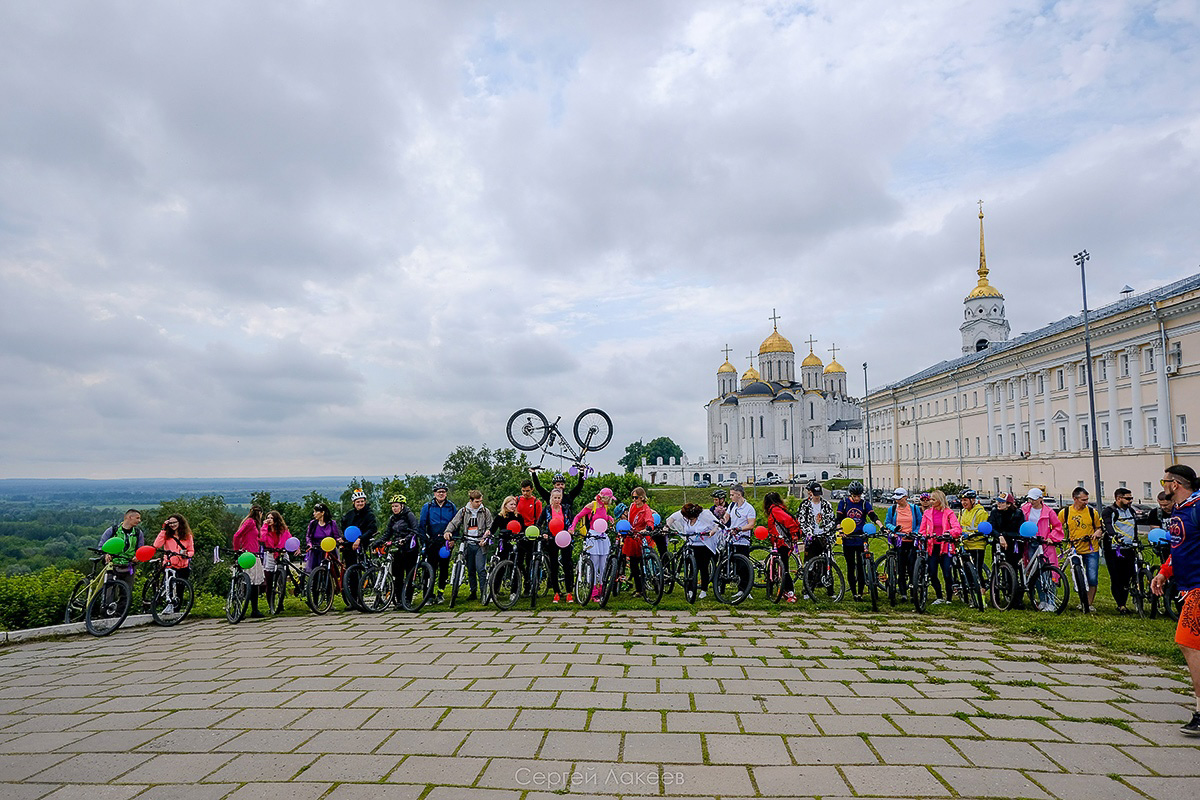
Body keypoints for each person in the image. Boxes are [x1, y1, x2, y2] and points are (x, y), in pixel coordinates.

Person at [1150, 464, 1200, 736]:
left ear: (1175, 484)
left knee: (1188, 643)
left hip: (1198, 588)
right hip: (1187, 586)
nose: (1163, 485)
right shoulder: (1180, 510)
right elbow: (1179, 548)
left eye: (1164, 481)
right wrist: (1164, 572)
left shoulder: (1197, 507)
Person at [1058, 487, 1103, 611]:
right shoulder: (1065, 512)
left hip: (1091, 548)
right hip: (1074, 548)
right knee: (1078, 576)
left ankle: (1088, 603)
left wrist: (1098, 532)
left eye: (1087, 499)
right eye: (1083, 500)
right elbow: (1057, 526)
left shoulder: (1092, 512)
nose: (1086, 502)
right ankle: (1082, 599)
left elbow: (1099, 527)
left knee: (1092, 577)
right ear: (1075, 499)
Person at [444, 490, 493, 603]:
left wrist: (486, 538)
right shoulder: (464, 511)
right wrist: (448, 531)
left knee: (481, 569)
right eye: (477, 501)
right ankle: (473, 591)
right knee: (470, 569)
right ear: (471, 501)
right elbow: (454, 523)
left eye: (480, 501)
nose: (479, 503)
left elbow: (490, 526)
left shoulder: (485, 512)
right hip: (468, 542)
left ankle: (484, 592)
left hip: (480, 543)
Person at [835, 482, 881, 601]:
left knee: (861, 567)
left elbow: (873, 516)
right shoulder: (844, 503)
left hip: (861, 538)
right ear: (851, 494)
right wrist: (840, 531)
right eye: (855, 496)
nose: (857, 499)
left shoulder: (864, 504)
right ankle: (854, 592)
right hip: (848, 539)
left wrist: (881, 526)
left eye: (859, 496)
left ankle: (860, 592)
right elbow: (838, 519)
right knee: (850, 566)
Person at [1022, 487, 1064, 611]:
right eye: (1030, 499)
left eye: (1034, 499)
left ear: (1041, 499)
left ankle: (1051, 601)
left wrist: (1052, 537)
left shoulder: (1049, 512)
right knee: (1036, 573)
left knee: (1048, 572)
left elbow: (1057, 527)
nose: (1031, 501)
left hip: (1045, 544)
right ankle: (1042, 600)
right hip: (1030, 543)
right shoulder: (1025, 509)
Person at [571, 488, 616, 601]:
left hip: (602, 536)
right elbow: (578, 516)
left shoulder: (604, 506)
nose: (610, 501)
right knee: (594, 565)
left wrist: (608, 518)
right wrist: (572, 527)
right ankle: (593, 591)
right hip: (593, 536)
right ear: (605, 498)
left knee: (603, 565)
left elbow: (602, 518)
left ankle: (602, 588)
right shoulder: (593, 505)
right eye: (610, 498)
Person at [418, 482, 457, 603]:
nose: (441, 494)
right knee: (430, 569)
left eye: (443, 492)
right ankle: (428, 595)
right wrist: (424, 541)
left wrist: (453, 539)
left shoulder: (451, 506)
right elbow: (422, 525)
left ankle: (441, 593)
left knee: (444, 568)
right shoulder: (428, 506)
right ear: (434, 493)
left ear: (446, 493)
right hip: (432, 541)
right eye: (438, 492)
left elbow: (456, 523)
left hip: (445, 541)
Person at [1102, 488, 1139, 614]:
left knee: (1127, 577)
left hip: (1129, 548)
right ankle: (1121, 605)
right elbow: (1108, 525)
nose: (1130, 501)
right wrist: (1114, 536)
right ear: (1118, 498)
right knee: (1116, 577)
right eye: (1127, 498)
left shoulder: (1131, 511)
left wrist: (1136, 541)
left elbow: (1134, 528)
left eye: (1131, 498)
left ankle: (1129, 600)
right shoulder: (1110, 511)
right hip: (1114, 549)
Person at [883, 488, 923, 597]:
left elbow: (920, 523)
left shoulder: (914, 509)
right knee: (900, 566)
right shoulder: (892, 509)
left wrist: (914, 532)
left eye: (900, 499)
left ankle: (912, 587)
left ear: (905, 497)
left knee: (911, 565)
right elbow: (887, 523)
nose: (898, 501)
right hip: (899, 540)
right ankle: (902, 591)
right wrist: (895, 528)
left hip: (911, 540)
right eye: (896, 499)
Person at [990, 493, 1027, 609]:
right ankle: (995, 597)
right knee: (995, 568)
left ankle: (1015, 598)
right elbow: (991, 527)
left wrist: (1006, 535)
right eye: (998, 502)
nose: (999, 504)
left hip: (1013, 544)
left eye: (1002, 502)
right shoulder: (994, 512)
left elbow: (1021, 530)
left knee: (1014, 570)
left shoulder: (1018, 513)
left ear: (1009, 504)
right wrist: (999, 536)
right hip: (998, 542)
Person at [537, 488, 573, 603]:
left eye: (559, 497)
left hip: (564, 538)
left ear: (561, 498)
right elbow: (539, 523)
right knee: (554, 566)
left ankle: (569, 592)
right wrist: (543, 533)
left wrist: (571, 530)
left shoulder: (566, 509)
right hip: (552, 539)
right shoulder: (547, 509)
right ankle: (556, 592)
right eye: (554, 497)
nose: (557, 500)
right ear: (551, 498)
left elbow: (571, 523)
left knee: (567, 565)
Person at [99, 509, 145, 601]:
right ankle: (106, 612)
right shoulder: (112, 531)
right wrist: (106, 554)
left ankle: (121, 613)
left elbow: (140, 549)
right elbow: (101, 547)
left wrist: (138, 557)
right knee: (109, 592)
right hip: (113, 566)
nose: (139, 521)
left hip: (129, 566)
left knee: (126, 592)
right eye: (137, 518)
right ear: (129, 517)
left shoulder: (138, 533)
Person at [762, 491, 800, 602]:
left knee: (784, 568)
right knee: (781, 565)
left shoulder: (775, 510)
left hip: (783, 542)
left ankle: (790, 591)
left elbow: (788, 522)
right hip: (778, 542)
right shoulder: (778, 509)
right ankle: (782, 589)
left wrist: (793, 535)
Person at [153, 514, 194, 609]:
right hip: (170, 565)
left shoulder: (187, 536)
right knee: (170, 587)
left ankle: (177, 610)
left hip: (183, 565)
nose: (172, 525)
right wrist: (163, 530)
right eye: (170, 523)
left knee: (180, 589)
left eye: (174, 522)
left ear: (180, 523)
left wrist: (187, 555)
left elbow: (191, 550)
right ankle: (168, 605)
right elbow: (156, 545)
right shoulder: (166, 536)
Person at [382, 495, 419, 597]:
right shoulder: (392, 518)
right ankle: (399, 600)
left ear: (402, 506)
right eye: (393, 506)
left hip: (410, 549)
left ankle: (408, 599)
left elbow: (415, 531)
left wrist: (405, 539)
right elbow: (387, 533)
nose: (394, 508)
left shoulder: (409, 515)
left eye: (396, 506)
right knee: (398, 576)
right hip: (398, 549)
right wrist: (378, 542)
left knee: (409, 575)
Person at [233, 506, 265, 618]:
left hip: (253, 554)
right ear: (260, 513)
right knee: (248, 583)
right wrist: (237, 550)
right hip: (249, 555)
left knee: (254, 584)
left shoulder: (253, 523)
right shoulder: (250, 522)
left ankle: (254, 609)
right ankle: (243, 609)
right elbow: (237, 535)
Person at [259, 510, 290, 612]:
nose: (269, 520)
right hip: (270, 554)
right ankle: (270, 605)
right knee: (269, 580)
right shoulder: (266, 530)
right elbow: (262, 540)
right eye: (268, 518)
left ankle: (280, 603)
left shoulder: (283, 530)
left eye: (272, 518)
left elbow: (288, 539)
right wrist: (264, 527)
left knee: (282, 579)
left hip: (281, 553)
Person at [341, 489, 378, 571]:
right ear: (353, 503)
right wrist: (343, 538)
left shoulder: (369, 514)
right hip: (350, 543)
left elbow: (372, 529)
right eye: (358, 502)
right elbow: (345, 527)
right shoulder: (349, 515)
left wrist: (360, 539)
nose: (360, 503)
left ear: (365, 502)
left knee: (360, 564)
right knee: (349, 566)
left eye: (362, 501)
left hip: (363, 541)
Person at [958, 490, 989, 580]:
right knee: (966, 570)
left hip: (977, 544)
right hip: (965, 544)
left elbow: (982, 530)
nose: (963, 503)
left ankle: (981, 590)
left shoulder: (980, 512)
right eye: (962, 500)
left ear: (973, 500)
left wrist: (971, 534)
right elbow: (959, 526)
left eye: (965, 500)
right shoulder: (962, 512)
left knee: (977, 571)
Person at [305, 503, 341, 574]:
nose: (314, 514)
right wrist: (309, 544)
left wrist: (340, 541)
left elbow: (337, 536)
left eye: (316, 512)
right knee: (315, 573)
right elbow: (308, 536)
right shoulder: (313, 524)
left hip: (329, 551)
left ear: (322, 513)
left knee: (330, 572)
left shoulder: (332, 523)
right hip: (316, 551)